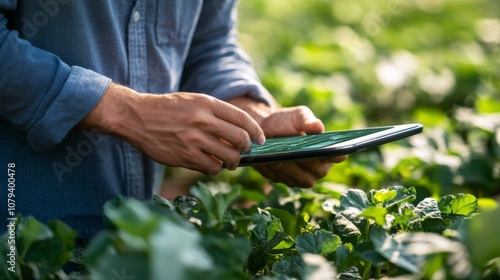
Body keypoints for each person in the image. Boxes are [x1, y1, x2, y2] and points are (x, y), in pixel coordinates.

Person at [0, 0, 345, 241]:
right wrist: (127, 111)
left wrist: (251, 116)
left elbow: (209, 43)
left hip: (133, 239)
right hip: (14, 239)